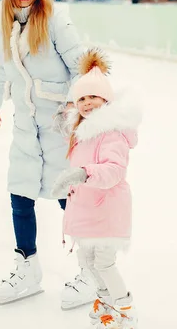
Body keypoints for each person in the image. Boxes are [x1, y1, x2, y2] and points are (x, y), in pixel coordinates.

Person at [0, 0, 95, 307]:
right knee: (20, 194)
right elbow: (1, 68)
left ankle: (91, 269)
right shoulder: (4, 23)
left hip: (58, 126)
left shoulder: (56, 20)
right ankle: (27, 267)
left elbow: (81, 65)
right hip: (23, 127)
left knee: (69, 197)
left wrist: (75, 109)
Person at [51, 48, 142, 328]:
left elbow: (114, 171)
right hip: (89, 210)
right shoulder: (84, 131)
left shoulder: (111, 132)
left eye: (93, 97)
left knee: (103, 262)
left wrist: (82, 173)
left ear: (106, 100)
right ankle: (105, 302)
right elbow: (65, 126)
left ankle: (125, 308)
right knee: (88, 262)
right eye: (81, 98)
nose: (87, 103)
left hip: (108, 209)